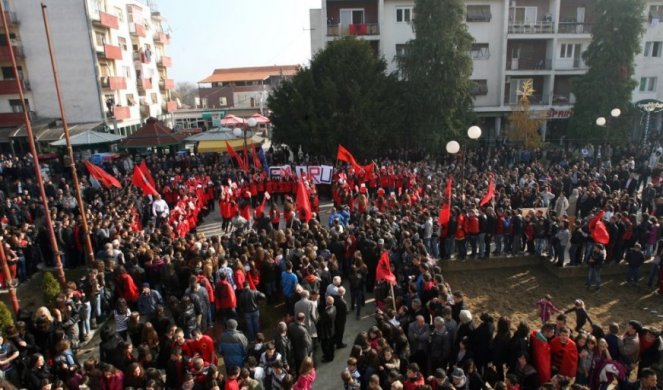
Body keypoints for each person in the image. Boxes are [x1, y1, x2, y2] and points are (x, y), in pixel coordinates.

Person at [318, 295, 337, 362]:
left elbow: (321, 322)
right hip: (332, 329)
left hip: (327, 332)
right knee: (330, 345)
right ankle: (330, 356)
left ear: (327, 303)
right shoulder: (334, 307)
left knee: (326, 345)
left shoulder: (326, 313)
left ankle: (328, 358)